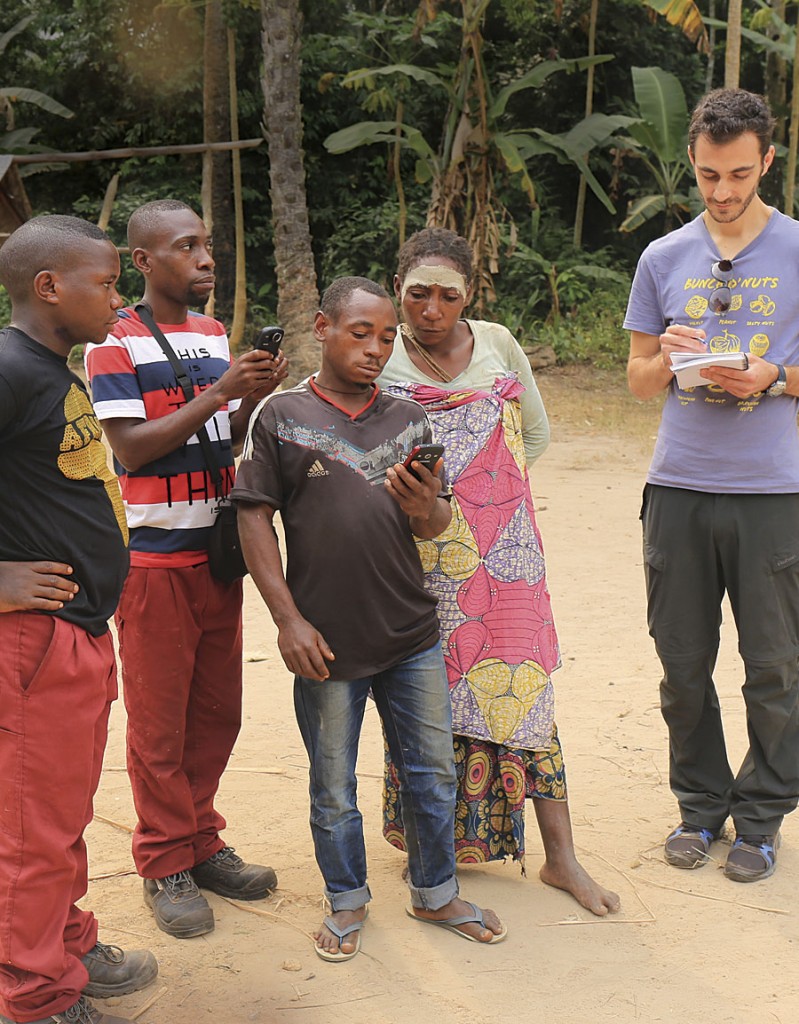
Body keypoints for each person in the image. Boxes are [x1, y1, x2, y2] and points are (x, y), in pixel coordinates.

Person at [233, 276, 507, 961]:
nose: (376, 350)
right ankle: (347, 902)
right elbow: (253, 516)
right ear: (322, 328)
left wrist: (424, 506)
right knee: (333, 786)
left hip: (409, 634)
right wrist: (287, 620)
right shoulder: (281, 416)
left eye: (387, 338)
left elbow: (435, 518)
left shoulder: (406, 419)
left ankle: (435, 893)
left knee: (432, 774)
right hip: (324, 642)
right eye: (360, 333)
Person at [378, 227, 619, 916]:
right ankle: (432, 847)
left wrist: (487, 507)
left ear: (468, 295)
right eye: (417, 293)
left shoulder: (497, 343)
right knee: (423, 699)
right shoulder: (381, 350)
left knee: (524, 692)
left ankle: (561, 860)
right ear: (399, 290)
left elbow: (533, 434)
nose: (431, 308)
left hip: (506, 560)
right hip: (414, 556)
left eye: (446, 294)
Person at [85, 200, 287, 939]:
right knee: (159, 721)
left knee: (215, 712)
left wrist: (248, 397)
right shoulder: (112, 341)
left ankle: (200, 839)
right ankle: (162, 859)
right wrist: (221, 392)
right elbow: (133, 448)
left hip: (217, 552)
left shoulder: (209, 334)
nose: (205, 258)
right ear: (142, 261)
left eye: (207, 244)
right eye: (187, 246)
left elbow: (215, 434)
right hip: (153, 561)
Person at [625, 88, 799, 882]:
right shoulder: (662, 257)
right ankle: (698, 809)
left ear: (766, 160)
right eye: (705, 175)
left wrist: (773, 375)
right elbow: (636, 380)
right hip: (680, 487)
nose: (722, 191)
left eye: (736, 173)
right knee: (682, 661)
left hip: (772, 493)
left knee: (773, 665)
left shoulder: (798, 250)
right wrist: (668, 355)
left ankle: (760, 818)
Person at [0, 216, 158, 1024]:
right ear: (49, 286)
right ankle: (34, 993)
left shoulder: (50, 370)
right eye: (106, 282)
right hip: (31, 641)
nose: (118, 297)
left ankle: (66, 943)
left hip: (79, 634)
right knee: (31, 829)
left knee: (58, 814)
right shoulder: (6, 369)